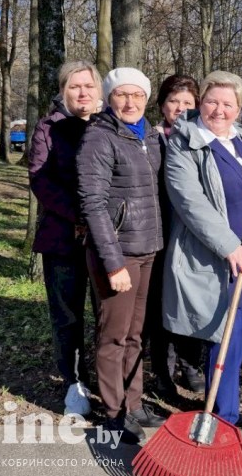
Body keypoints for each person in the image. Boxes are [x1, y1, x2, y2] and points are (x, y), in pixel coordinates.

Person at [162, 70, 242, 429]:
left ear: (239, 108)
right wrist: (228, 246)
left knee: (239, 334)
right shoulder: (185, 142)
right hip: (217, 256)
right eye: (211, 101)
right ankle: (224, 414)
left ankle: (224, 406)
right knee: (224, 333)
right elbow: (189, 202)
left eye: (228, 104)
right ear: (200, 102)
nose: (219, 110)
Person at [76, 67, 166, 443]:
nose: (130, 102)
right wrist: (113, 262)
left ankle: (135, 400)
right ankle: (114, 412)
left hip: (148, 248)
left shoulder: (151, 138)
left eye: (138, 96)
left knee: (135, 334)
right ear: (109, 98)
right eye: (121, 95)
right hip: (119, 253)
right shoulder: (100, 138)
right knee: (113, 335)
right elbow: (92, 204)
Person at [28, 60, 102, 417]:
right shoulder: (47, 128)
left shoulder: (110, 126)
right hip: (62, 236)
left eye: (89, 85)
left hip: (107, 239)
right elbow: (41, 180)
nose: (83, 92)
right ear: (63, 91)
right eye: (75, 86)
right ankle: (75, 381)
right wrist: (79, 216)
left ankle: (109, 379)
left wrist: (99, 221)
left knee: (108, 313)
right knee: (68, 314)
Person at [144, 74, 205, 398]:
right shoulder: (153, 140)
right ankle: (163, 374)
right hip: (160, 234)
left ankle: (190, 363)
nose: (180, 108)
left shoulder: (203, 139)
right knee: (161, 307)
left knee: (194, 301)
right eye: (173, 101)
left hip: (193, 237)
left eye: (187, 103)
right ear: (162, 105)